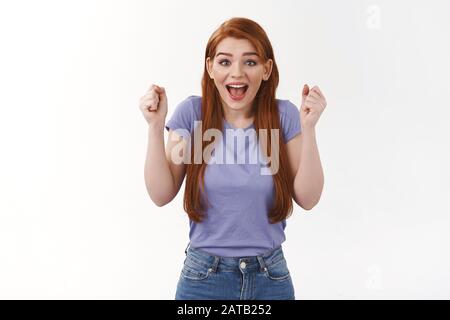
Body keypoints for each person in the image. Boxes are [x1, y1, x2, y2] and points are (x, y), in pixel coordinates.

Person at [139, 17, 326, 300]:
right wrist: (155, 127)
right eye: (225, 62)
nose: (236, 73)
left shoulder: (284, 117)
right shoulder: (192, 115)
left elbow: (308, 198)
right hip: (203, 278)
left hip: (269, 277)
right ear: (210, 67)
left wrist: (309, 128)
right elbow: (161, 193)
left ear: (266, 69)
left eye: (250, 62)